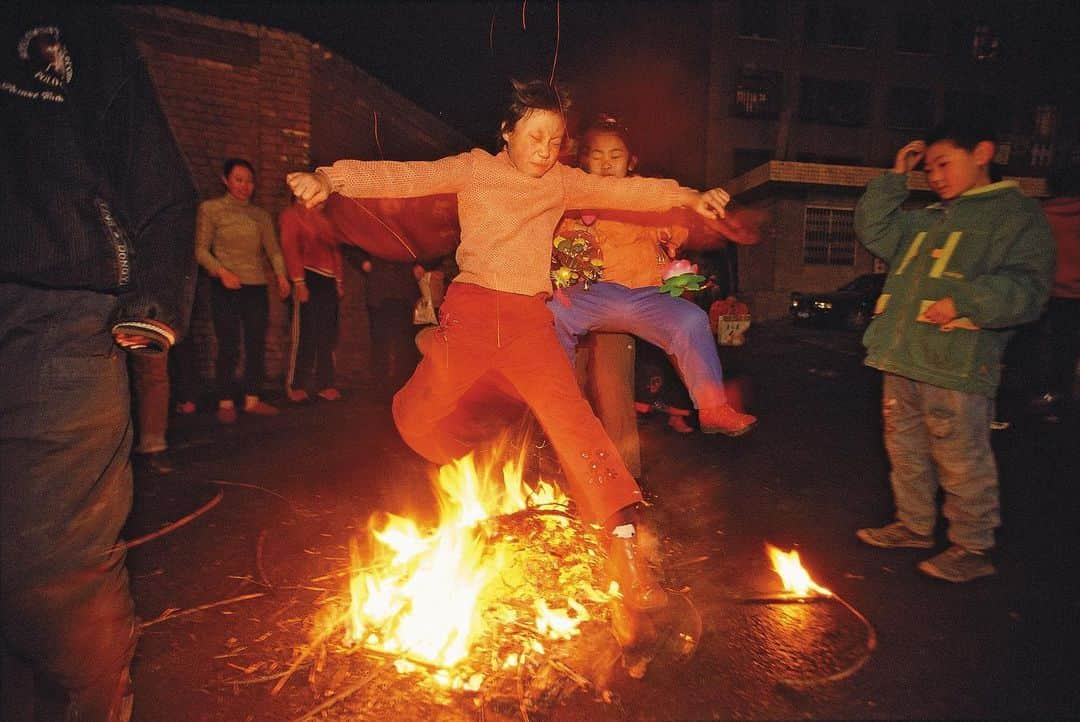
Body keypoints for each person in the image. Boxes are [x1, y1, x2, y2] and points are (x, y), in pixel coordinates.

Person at [288, 78, 733, 617]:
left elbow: (629, 191)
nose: (546, 151)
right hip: (473, 311)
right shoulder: (475, 168)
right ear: (507, 132)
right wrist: (328, 178)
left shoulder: (562, 183)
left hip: (528, 322)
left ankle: (623, 541)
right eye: (535, 137)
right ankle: (438, 356)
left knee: (574, 421)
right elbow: (403, 175)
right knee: (419, 413)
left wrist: (689, 196)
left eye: (555, 140)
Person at [1, 5, 197, 720]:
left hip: (55, 315)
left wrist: (154, 299)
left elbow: (161, 188)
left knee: (52, 576)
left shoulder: (73, 33)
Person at [853, 118, 1055, 583]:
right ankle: (914, 526)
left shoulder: (1015, 216)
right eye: (929, 171)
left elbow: (1029, 287)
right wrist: (895, 177)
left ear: (982, 152)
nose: (936, 177)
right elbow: (873, 228)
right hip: (902, 356)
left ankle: (972, 547)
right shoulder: (926, 220)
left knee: (962, 457)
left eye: (944, 164)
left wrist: (964, 301)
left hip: (957, 361)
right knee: (905, 451)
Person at [548, 116, 757, 439]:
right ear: (583, 160)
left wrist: (720, 222)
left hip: (646, 298)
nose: (606, 164)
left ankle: (712, 408)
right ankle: (557, 400)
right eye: (597, 155)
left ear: (631, 162)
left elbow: (685, 227)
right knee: (553, 312)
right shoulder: (570, 198)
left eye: (615, 156)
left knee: (690, 320)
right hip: (592, 295)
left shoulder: (646, 198)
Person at [196, 158, 291, 423]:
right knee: (228, 343)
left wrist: (282, 276)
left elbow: (272, 249)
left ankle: (252, 399)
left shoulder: (259, 216)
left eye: (249, 181)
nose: (244, 185)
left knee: (255, 343)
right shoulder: (211, 209)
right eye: (239, 179)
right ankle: (225, 400)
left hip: (255, 286)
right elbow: (200, 250)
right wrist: (221, 271)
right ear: (225, 180)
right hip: (225, 285)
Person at [280, 197, 345, 402]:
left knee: (327, 334)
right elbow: (290, 246)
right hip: (308, 276)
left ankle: (325, 384)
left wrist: (339, 280)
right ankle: (296, 384)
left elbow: (335, 253)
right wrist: (298, 281)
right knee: (305, 332)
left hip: (328, 280)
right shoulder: (292, 215)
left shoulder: (327, 221)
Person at [1029, 166, 1079, 421]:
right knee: (1067, 350)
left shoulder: (1042, 215)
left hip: (1044, 292)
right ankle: (1063, 397)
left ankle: (1041, 394)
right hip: (1075, 296)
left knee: (1039, 347)